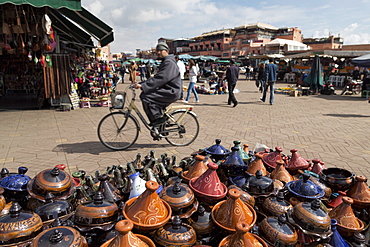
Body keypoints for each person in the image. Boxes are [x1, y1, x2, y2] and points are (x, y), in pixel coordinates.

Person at [133, 42, 181, 139]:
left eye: (160, 51)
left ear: (166, 51)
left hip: (171, 91)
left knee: (146, 97)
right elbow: (157, 78)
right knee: (148, 96)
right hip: (166, 90)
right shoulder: (166, 61)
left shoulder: (169, 62)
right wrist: (142, 84)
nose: (158, 53)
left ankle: (158, 122)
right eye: (157, 51)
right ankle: (159, 127)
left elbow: (161, 78)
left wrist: (143, 86)